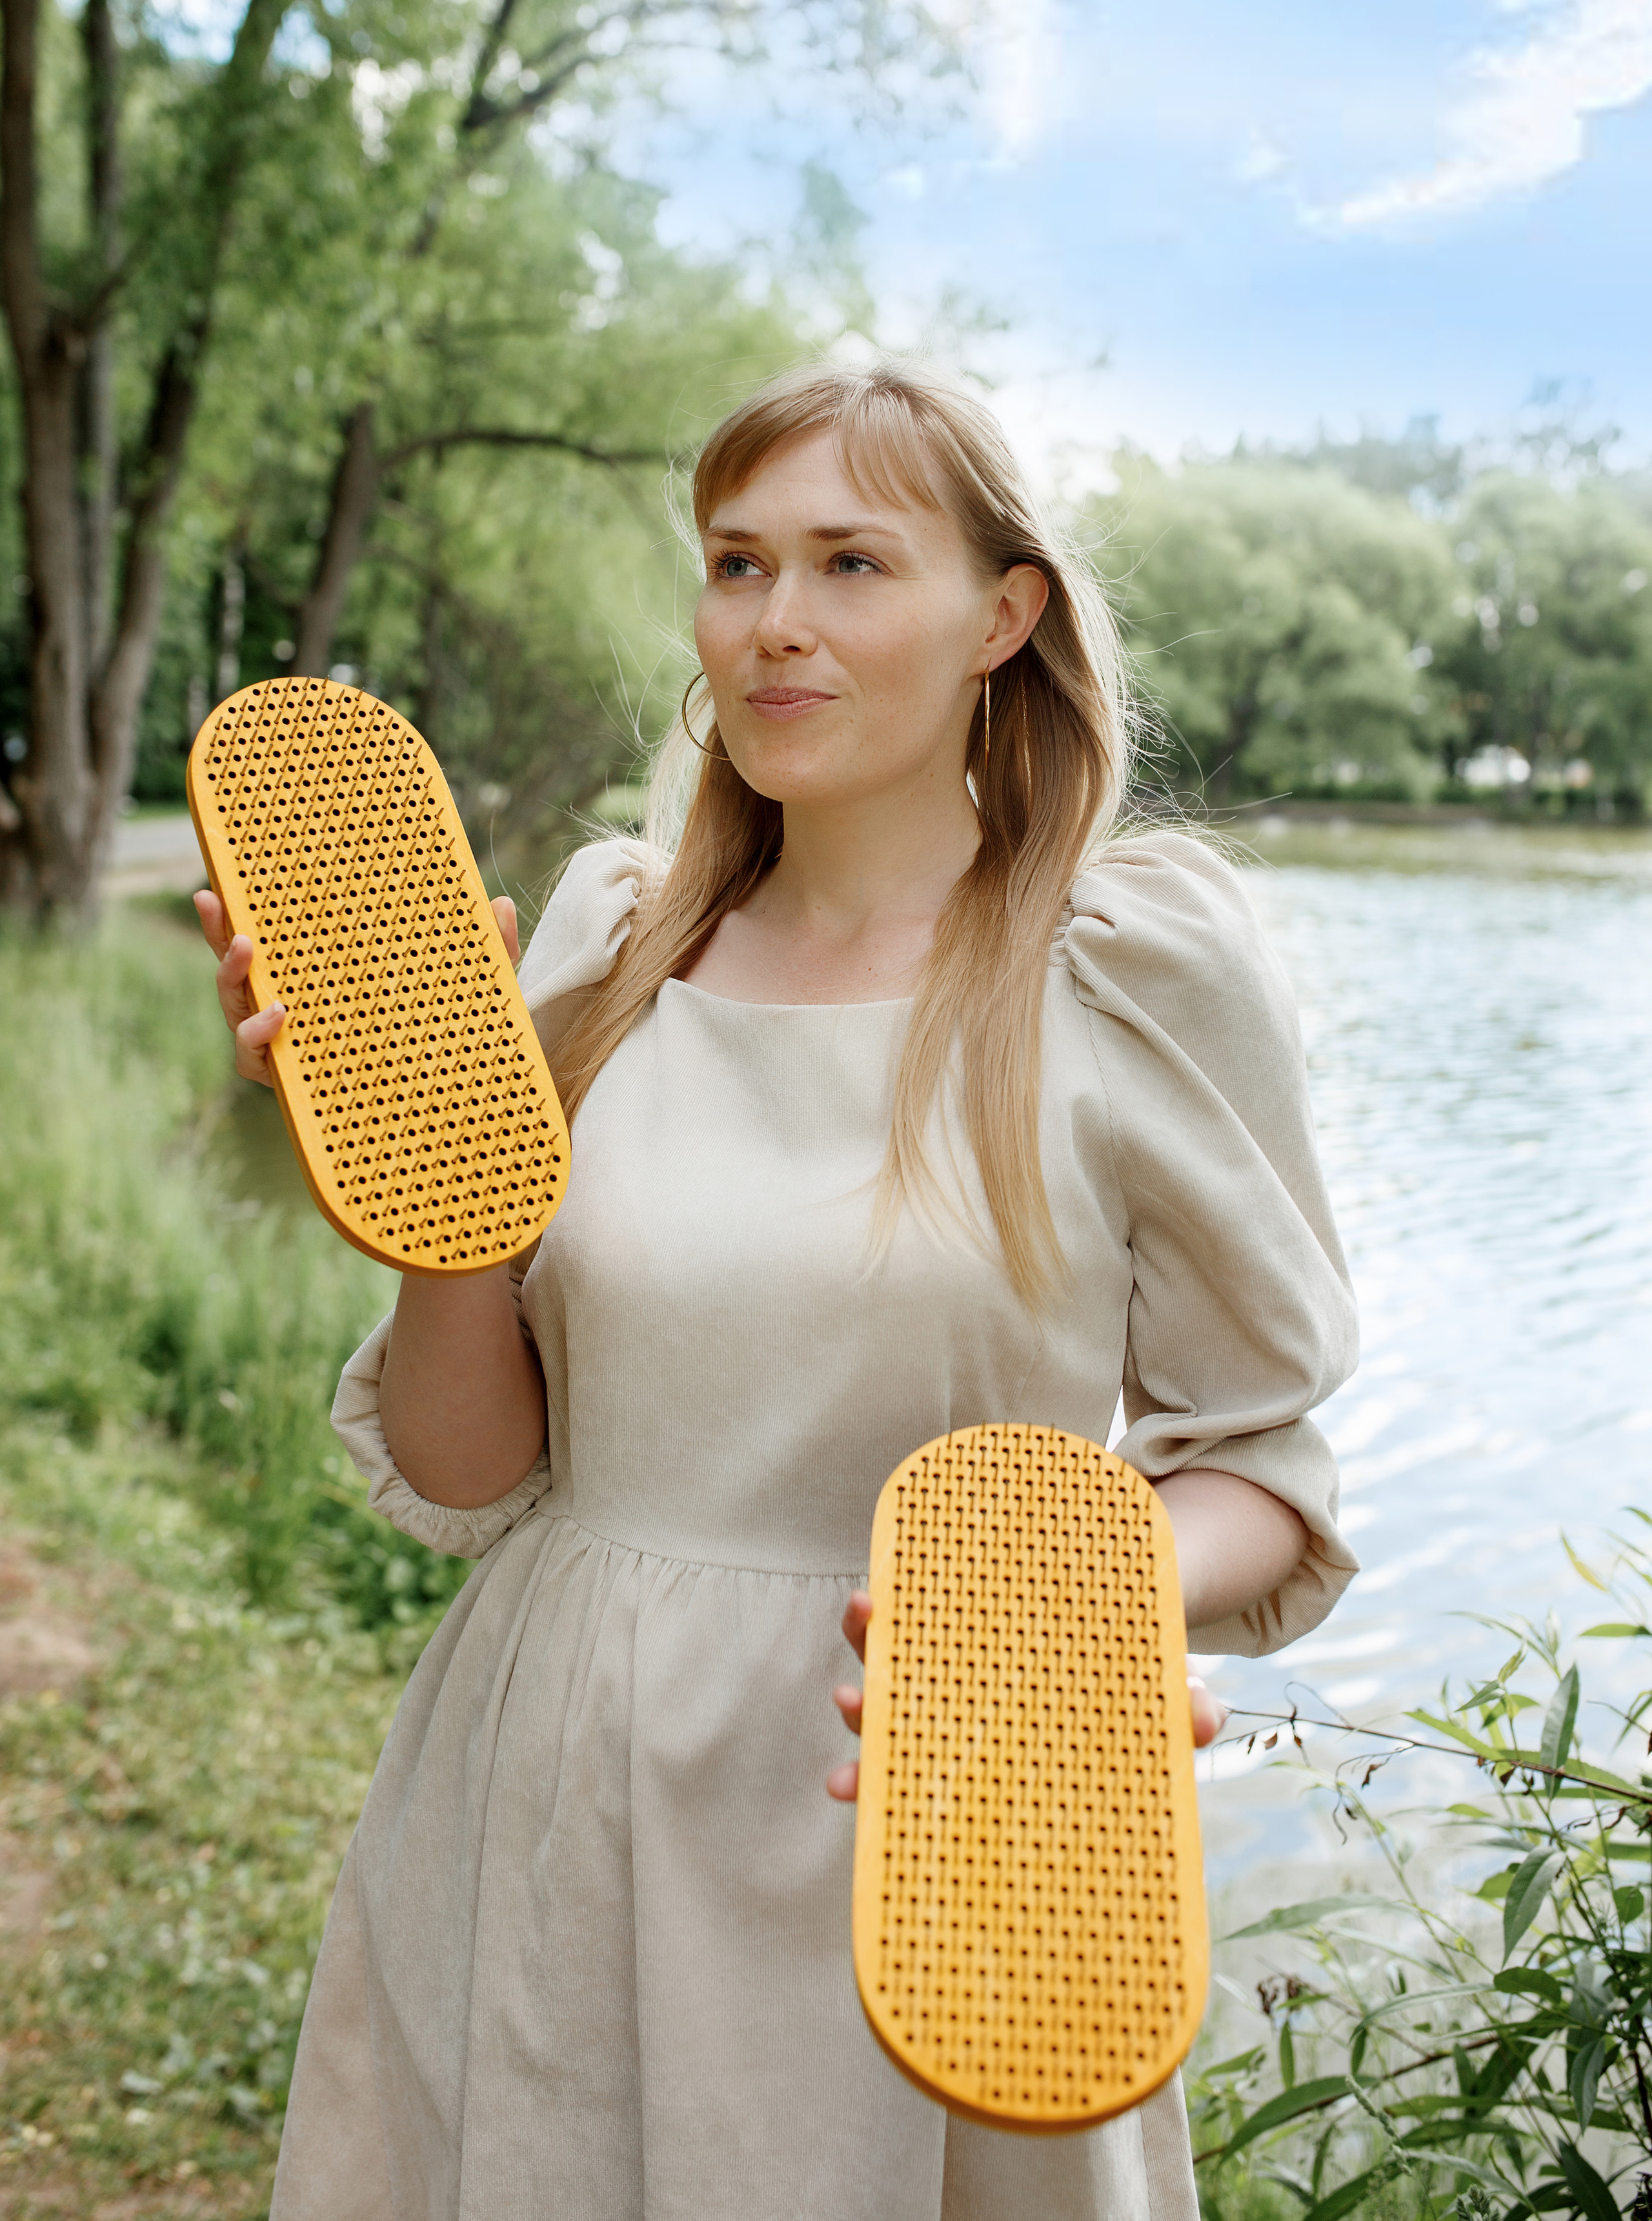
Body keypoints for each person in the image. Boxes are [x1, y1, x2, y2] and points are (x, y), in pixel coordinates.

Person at [196, 358, 1358, 2221]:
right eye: (737, 566)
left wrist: (1079, 1601)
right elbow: (479, 1477)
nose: (776, 627)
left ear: (1005, 613)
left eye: (848, 565)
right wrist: (434, 1193)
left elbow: (1261, 1465)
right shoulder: (611, 945)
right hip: (557, 1780)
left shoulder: (1131, 972)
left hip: (942, 1821)